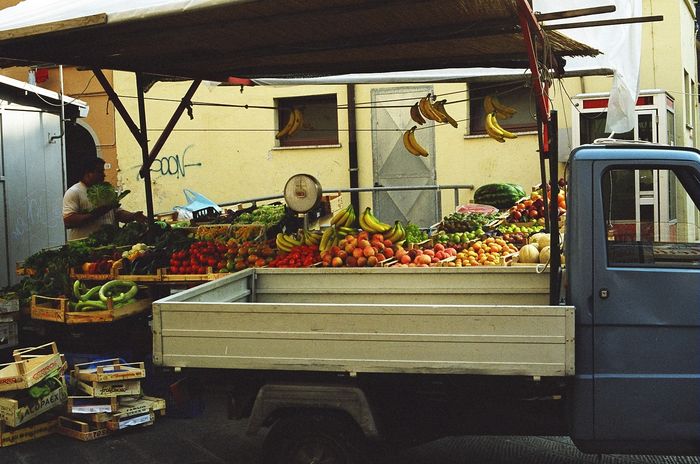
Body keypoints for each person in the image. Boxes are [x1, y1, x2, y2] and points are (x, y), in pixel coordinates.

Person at [63, 157, 147, 240]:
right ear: (88, 173)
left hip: (108, 243)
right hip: (86, 245)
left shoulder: (106, 192)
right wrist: (96, 213)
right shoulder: (74, 192)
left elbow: (117, 213)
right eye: (100, 172)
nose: (104, 175)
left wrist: (133, 216)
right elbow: (68, 221)